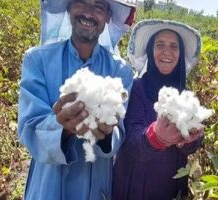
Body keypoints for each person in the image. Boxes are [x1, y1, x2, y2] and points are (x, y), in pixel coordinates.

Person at [17, 0, 135, 199]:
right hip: (48, 185)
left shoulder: (120, 70)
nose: (88, 13)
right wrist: (62, 129)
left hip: (95, 185)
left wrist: (106, 134)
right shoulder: (37, 60)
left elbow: (118, 132)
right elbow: (29, 126)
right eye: (81, 2)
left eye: (98, 6)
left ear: (107, 17)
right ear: (69, 7)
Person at [112, 19, 203, 200]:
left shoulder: (185, 94)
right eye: (159, 45)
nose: (167, 52)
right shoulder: (135, 89)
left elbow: (192, 146)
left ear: (181, 53)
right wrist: (156, 137)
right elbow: (129, 140)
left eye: (174, 46)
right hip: (135, 186)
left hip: (172, 186)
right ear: (150, 51)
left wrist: (193, 137)